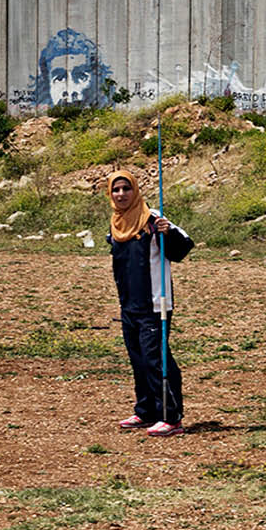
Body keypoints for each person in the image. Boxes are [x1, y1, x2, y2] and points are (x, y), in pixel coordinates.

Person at [106, 170, 192, 437]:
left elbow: (183, 247)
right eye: (116, 190)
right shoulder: (116, 222)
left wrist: (168, 234)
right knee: (138, 358)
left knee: (157, 358)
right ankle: (146, 411)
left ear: (135, 191)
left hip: (155, 303)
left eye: (126, 189)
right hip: (129, 304)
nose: (121, 194)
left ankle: (171, 416)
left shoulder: (154, 218)